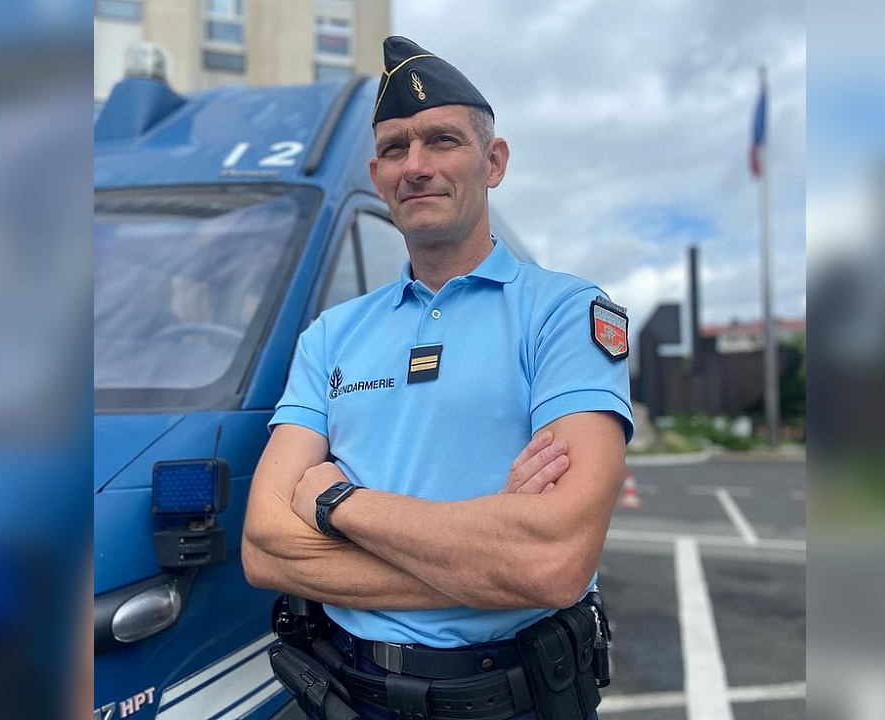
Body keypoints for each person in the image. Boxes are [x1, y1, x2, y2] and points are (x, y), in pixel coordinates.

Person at [242, 36, 633, 720]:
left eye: (442, 140)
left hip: (509, 698)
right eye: (395, 148)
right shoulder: (332, 334)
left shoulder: (565, 314)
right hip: (347, 693)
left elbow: (555, 561)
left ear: (495, 161)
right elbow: (264, 547)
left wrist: (339, 504)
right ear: (376, 173)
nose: (415, 166)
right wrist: (488, 558)